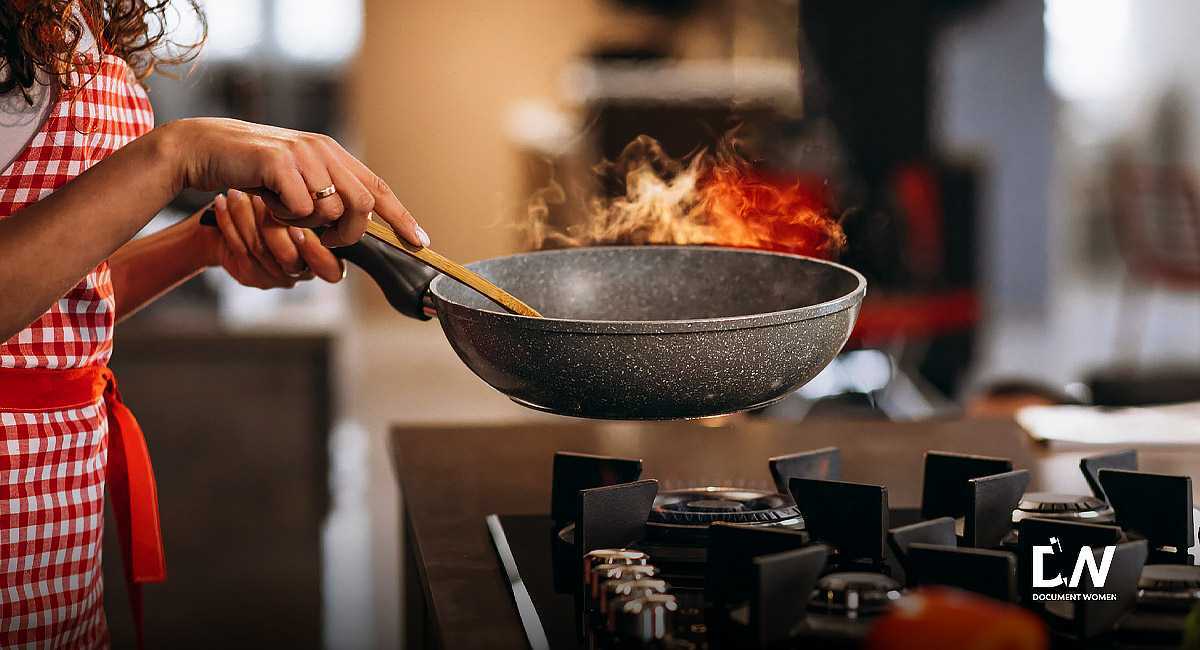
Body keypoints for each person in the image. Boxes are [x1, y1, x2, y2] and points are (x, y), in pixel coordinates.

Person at [0, 2, 428, 646]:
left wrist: (200, 245)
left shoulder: (73, 17)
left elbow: (55, 309)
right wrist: (176, 155)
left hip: (56, 529)